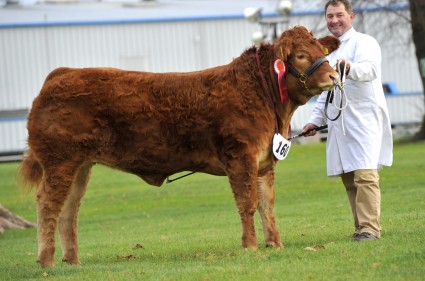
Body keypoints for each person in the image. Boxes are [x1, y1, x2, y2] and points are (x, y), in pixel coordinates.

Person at [302, 0, 393, 241]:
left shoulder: (365, 42)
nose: (334, 20)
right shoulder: (326, 52)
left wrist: (349, 67)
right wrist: (314, 120)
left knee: (365, 174)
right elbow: (325, 91)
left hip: (363, 118)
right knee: (349, 177)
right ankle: (360, 227)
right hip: (338, 122)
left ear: (350, 16)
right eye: (330, 16)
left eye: (339, 15)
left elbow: (370, 70)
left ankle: (370, 229)